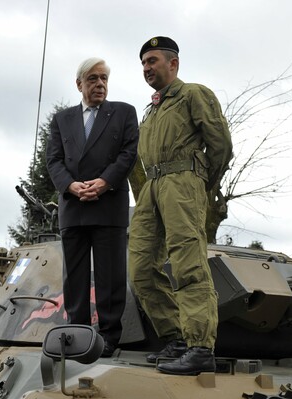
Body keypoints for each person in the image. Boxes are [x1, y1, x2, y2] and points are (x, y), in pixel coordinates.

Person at [129, 36, 233, 375]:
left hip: (182, 182)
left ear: (173, 64)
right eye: (143, 63)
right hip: (152, 187)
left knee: (188, 265)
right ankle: (175, 337)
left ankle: (200, 347)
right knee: (141, 269)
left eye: (153, 61)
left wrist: (200, 183)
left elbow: (220, 145)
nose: (147, 68)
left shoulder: (193, 94)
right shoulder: (152, 110)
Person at [46, 57, 139, 357]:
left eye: (104, 79)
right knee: (74, 277)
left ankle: (109, 337)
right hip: (73, 206)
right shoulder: (62, 120)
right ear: (79, 84)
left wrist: (103, 182)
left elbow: (128, 153)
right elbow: (54, 160)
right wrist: (71, 186)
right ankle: (76, 333)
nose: (100, 84)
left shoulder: (124, 112)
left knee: (110, 275)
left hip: (108, 203)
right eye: (93, 79)